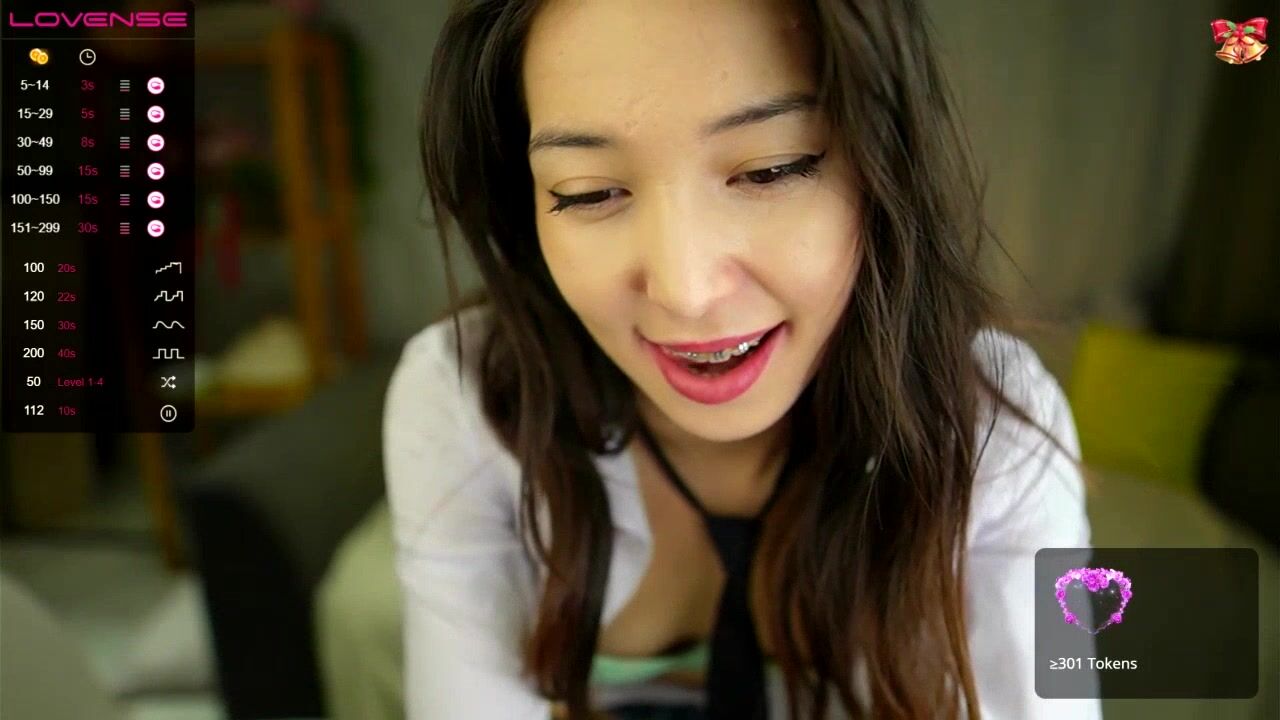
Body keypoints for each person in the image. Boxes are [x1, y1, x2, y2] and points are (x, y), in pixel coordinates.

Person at [386, 0, 1102, 718]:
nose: (686, 292)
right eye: (590, 192)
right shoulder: (463, 398)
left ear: (885, 163)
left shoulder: (997, 427)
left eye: (769, 170)